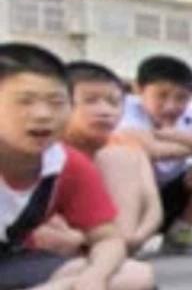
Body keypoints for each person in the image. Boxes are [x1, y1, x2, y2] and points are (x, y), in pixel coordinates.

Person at [0, 43, 155, 290]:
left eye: (57, 103)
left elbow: (108, 239)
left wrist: (94, 280)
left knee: (134, 275)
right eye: (25, 101)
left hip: (9, 263)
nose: (43, 114)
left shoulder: (66, 165)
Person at [29, 61, 163, 256]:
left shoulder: (125, 148)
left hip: (107, 242)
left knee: (118, 157)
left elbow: (153, 206)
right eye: (90, 100)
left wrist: (134, 238)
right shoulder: (41, 149)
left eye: (114, 102)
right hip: (51, 248)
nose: (105, 111)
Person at [115, 54, 192, 256]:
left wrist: (175, 135)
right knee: (131, 157)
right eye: (161, 95)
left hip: (172, 193)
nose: (171, 106)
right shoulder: (124, 111)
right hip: (129, 198)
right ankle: (126, 237)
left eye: (181, 98)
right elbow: (152, 150)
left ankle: (179, 233)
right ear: (139, 89)